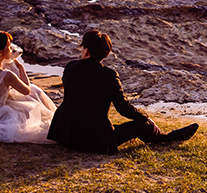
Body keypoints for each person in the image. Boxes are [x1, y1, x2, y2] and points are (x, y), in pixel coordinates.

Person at [47, 30, 198, 154]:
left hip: (65, 133)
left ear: (86, 50)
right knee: (142, 125)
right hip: (94, 139)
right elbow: (123, 108)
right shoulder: (109, 75)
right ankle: (166, 138)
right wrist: (144, 117)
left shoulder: (70, 67)